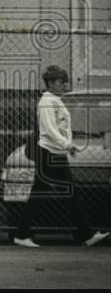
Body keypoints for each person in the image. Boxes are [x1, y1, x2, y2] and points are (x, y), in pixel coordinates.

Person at [12, 65, 109, 248]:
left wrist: (65, 146)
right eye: (62, 82)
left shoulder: (55, 100)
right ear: (52, 83)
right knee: (54, 193)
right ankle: (23, 234)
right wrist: (67, 145)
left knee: (60, 193)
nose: (65, 85)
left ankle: (85, 234)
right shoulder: (48, 101)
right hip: (49, 152)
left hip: (54, 152)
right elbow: (49, 129)